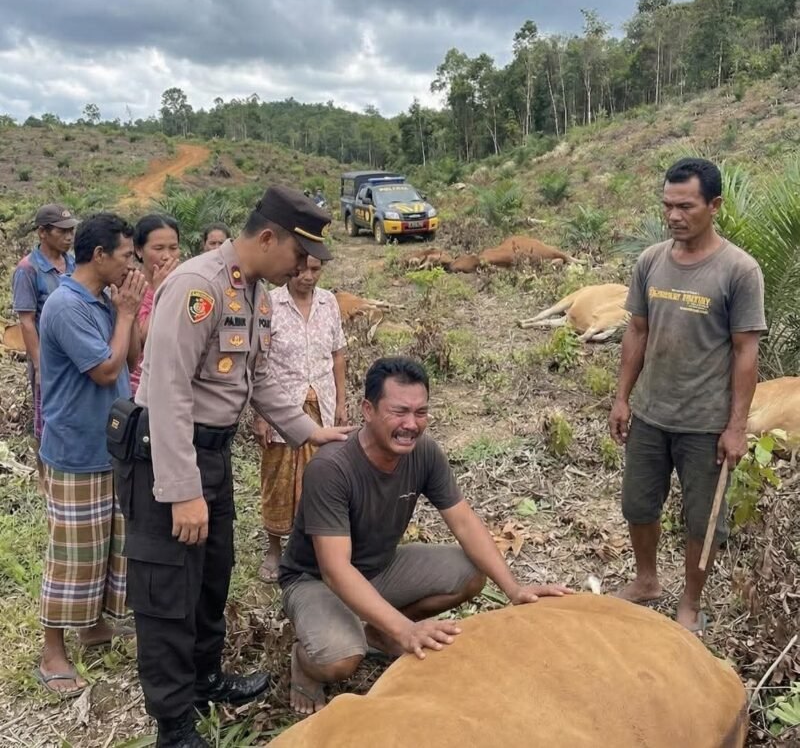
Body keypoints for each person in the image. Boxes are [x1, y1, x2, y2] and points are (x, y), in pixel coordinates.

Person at [123, 186, 353, 748]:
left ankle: (204, 678)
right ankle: (173, 724)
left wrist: (308, 430)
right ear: (269, 238)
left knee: (210, 577)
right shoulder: (198, 287)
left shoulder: (249, 290)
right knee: (168, 591)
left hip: (214, 454)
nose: (304, 268)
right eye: (299, 257)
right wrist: (181, 490)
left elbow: (258, 380)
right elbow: (169, 390)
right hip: (169, 454)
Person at [279, 357, 572, 716]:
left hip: (380, 568)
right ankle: (305, 663)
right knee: (339, 660)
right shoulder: (332, 468)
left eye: (421, 412)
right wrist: (406, 629)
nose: (410, 425)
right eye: (399, 412)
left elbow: (464, 522)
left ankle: (377, 632)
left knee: (468, 573)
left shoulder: (425, 453)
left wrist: (514, 589)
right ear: (367, 410)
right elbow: (335, 570)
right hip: (316, 581)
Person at [609, 158, 766, 636]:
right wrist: (622, 398)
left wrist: (736, 426)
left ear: (714, 206)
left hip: (705, 423)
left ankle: (690, 602)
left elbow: (746, 351)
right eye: (667, 206)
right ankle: (646, 581)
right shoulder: (651, 261)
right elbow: (637, 330)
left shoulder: (739, 270)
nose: (674, 216)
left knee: (704, 520)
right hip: (652, 414)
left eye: (686, 206)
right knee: (638, 505)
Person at [36, 212, 146, 696]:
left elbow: (134, 358)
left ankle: (94, 627)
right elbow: (105, 370)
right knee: (73, 555)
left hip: (109, 446)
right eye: (126, 255)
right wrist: (125, 315)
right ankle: (51, 653)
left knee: (107, 546)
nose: (132, 263)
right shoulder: (66, 305)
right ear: (99, 256)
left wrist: (133, 311)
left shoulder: (104, 298)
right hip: (75, 451)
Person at [253, 255, 347, 583]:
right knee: (277, 479)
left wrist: (341, 403)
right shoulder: (270, 303)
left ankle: (314, 549)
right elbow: (258, 362)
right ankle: (275, 549)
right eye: (301, 268)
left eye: (315, 269)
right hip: (282, 409)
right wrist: (261, 416)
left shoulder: (329, 302)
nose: (307, 276)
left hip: (322, 406)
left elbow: (337, 355)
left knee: (321, 479)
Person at [11, 204, 78, 483]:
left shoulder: (74, 263)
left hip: (75, 355)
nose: (68, 236)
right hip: (48, 359)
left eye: (71, 230)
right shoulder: (28, 269)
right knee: (44, 419)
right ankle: (44, 479)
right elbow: (27, 321)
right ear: (42, 232)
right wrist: (39, 365)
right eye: (62, 231)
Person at [129, 214, 181, 394]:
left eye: (173, 248)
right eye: (158, 248)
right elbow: (144, 339)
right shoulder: (131, 286)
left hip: (174, 388)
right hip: (139, 389)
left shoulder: (186, 286)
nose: (167, 256)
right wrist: (161, 292)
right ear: (139, 250)